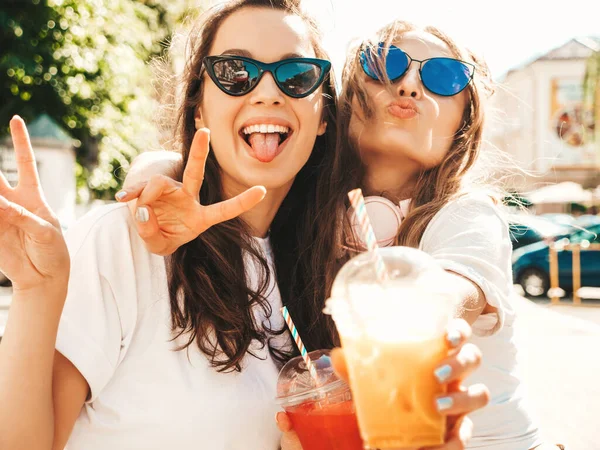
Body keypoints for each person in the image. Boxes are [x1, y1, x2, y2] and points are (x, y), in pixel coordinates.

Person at [0, 1, 488, 450]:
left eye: (297, 76)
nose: (268, 91)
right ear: (199, 105)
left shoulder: (319, 274)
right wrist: (37, 292)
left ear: (322, 116)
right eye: (235, 72)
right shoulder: (127, 241)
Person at [118, 15, 566, 450]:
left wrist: (417, 309)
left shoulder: (466, 214)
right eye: (385, 64)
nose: (409, 85)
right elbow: (228, 172)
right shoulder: (309, 211)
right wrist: (160, 171)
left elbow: (454, 290)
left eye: (444, 78)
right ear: (344, 101)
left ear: (463, 126)